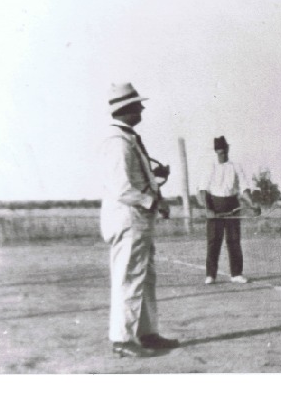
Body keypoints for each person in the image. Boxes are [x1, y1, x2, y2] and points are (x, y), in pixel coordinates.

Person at [100, 82, 179, 357]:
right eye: (137, 105)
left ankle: (147, 333)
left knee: (145, 277)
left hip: (140, 220)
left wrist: (156, 195)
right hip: (128, 220)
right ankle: (122, 340)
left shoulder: (127, 139)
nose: (142, 108)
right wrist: (152, 201)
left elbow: (137, 182)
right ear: (127, 109)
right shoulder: (117, 143)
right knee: (130, 278)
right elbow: (121, 188)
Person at [199, 135, 259, 285]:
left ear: (228, 149)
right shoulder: (210, 166)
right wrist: (208, 210)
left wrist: (252, 204)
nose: (223, 155)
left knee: (233, 240)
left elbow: (244, 188)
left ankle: (236, 273)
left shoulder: (236, 166)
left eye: (225, 151)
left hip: (232, 204)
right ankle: (210, 275)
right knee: (214, 241)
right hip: (214, 204)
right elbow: (202, 191)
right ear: (216, 152)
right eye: (220, 152)